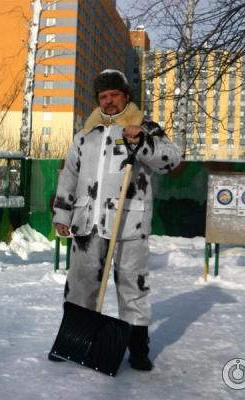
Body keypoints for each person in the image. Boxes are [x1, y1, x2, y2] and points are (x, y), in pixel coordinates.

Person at [51, 69, 182, 371]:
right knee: (80, 285)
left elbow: (172, 160)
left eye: (114, 95)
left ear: (126, 96)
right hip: (87, 223)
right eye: (103, 97)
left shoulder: (144, 128)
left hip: (129, 224)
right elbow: (69, 176)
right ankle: (74, 340)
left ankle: (138, 349)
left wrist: (143, 142)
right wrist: (62, 213)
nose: (108, 102)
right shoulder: (86, 134)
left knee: (132, 287)